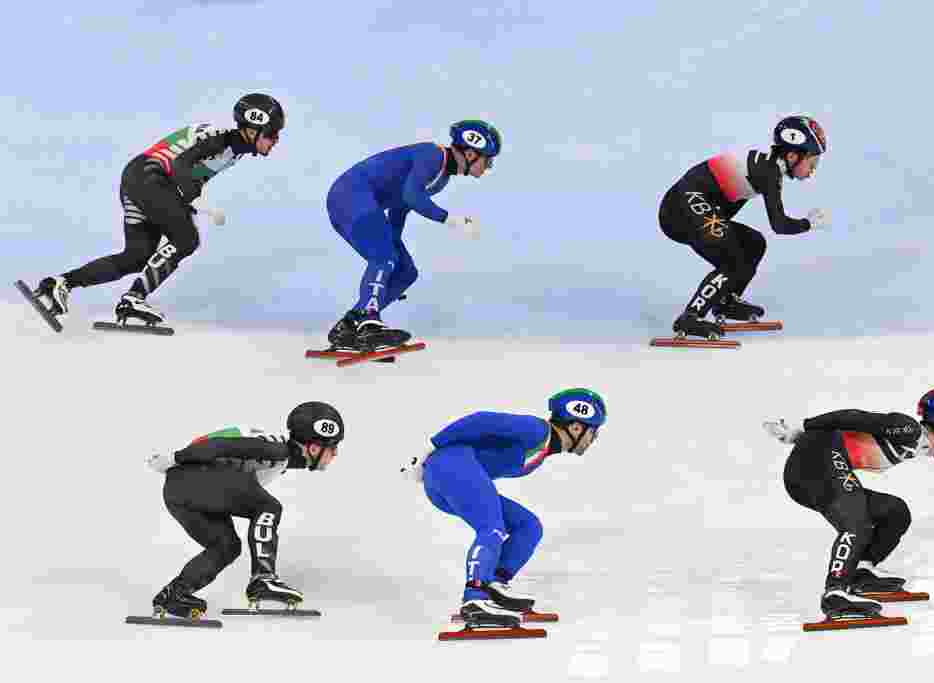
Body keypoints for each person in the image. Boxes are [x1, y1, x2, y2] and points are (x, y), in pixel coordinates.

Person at [27, 94, 284, 328]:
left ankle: (61, 283)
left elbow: (190, 175)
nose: (276, 141)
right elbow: (181, 163)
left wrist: (189, 201)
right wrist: (200, 203)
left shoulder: (234, 151)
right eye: (272, 134)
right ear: (253, 129)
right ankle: (133, 298)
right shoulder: (222, 140)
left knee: (137, 257)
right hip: (151, 177)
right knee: (187, 239)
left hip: (141, 179)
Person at [763, 387, 934, 619]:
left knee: (895, 513)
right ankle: (834, 594)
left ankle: (861, 573)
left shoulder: (917, 444)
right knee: (857, 523)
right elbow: (853, 417)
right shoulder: (910, 430)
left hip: (810, 474)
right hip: (813, 465)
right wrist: (803, 427)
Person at [400, 388, 607, 627]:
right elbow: (481, 420)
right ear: (576, 428)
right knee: (492, 529)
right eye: (593, 432)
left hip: (452, 477)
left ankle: (493, 584)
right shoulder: (537, 431)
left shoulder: (542, 449)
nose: (593, 440)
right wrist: (428, 447)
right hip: (450, 468)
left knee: (528, 526)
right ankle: (474, 599)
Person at [143, 401, 343, 620]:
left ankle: (174, 594)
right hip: (194, 477)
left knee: (226, 546)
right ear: (314, 448)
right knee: (268, 506)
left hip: (178, 491)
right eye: (333, 448)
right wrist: (173, 458)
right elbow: (218, 446)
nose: (334, 456)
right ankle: (263, 579)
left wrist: (178, 464)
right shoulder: (277, 449)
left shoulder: (279, 457)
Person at [325, 120, 501, 351]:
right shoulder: (433, 156)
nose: (488, 168)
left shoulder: (441, 179)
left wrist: (393, 242)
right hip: (350, 195)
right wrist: (452, 220)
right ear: (469, 153)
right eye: (488, 161)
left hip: (360, 202)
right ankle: (369, 323)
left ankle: (349, 325)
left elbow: (400, 206)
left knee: (405, 271)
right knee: (384, 257)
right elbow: (411, 196)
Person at [658, 115, 829, 339]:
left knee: (753, 243)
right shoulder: (769, 173)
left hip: (684, 207)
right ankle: (690, 318)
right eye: (812, 162)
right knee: (733, 262)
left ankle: (725, 300)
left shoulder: (764, 167)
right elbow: (779, 224)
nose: (812, 170)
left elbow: (726, 205)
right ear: (792, 155)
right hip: (679, 210)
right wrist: (809, 223)